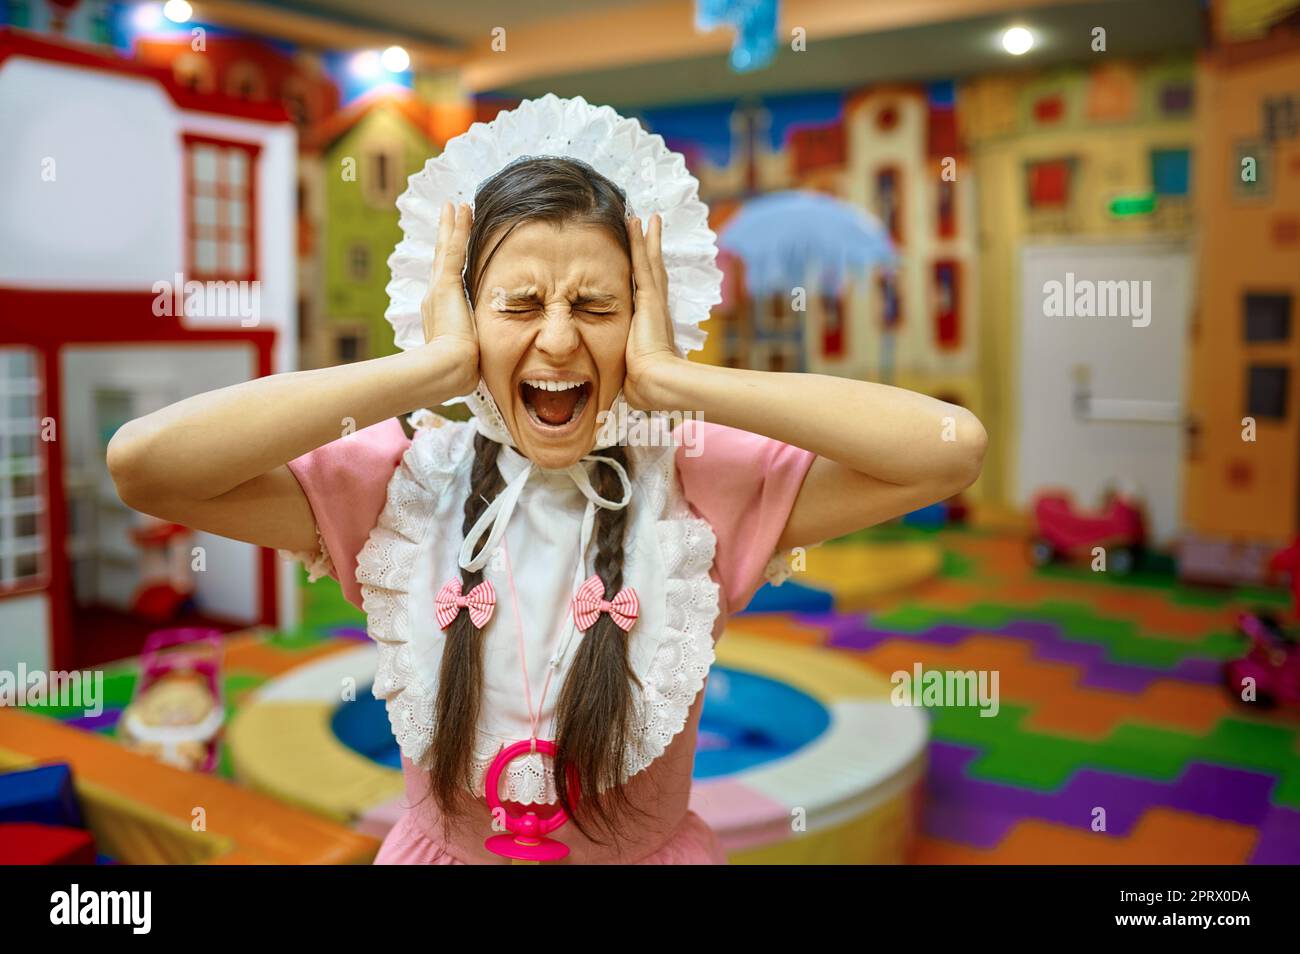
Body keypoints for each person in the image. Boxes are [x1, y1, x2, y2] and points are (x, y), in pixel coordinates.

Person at [108, 96, 986, 864]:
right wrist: (428, 369)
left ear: (643, 319)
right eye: (519, 306)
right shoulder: (400, 487)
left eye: (597, 308)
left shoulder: (696, 484)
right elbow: (145, 467)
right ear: (463, 310)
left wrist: (682, 381)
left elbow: (949, 448)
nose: (560, 341)